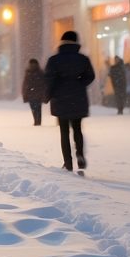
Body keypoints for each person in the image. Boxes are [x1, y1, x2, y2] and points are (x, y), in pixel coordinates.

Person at [45, 31, 95, 173]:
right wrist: (79, 84)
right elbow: (90, 76)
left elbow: (49, 79)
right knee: (77, 129)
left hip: (60, 99)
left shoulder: (54, 60)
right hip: (78, 98)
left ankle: (68, 162)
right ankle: (80, 154)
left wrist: (48, 95)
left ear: (62, 42)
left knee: (64, 131)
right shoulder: (83, 59)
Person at [21, 58, 48, 126]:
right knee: (37, 108)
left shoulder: (30, 72)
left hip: (32, 94)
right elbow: (26, 84)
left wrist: (25, 93)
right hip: (35, 94)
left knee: (35, 108)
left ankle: (37, 121)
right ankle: (37, 121)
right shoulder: (39, 72)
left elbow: (25, 84)